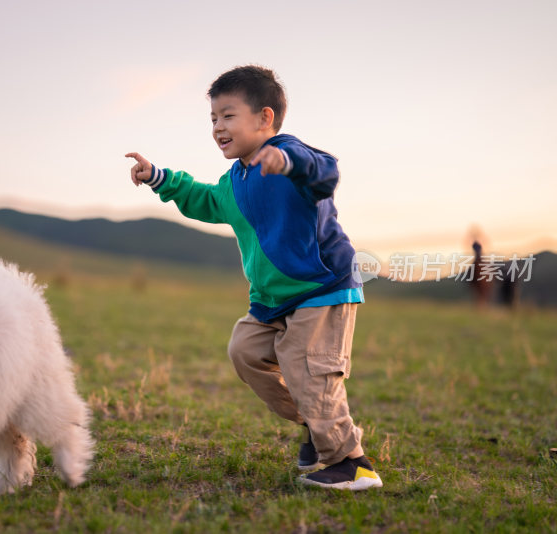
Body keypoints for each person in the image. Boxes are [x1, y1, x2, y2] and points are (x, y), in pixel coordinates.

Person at [125, 65, 382, 490]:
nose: (217, 127)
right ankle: (319, 429)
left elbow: (326, 170)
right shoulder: (235, 180)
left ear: (265, 118)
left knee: (308, 372)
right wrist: (159, 178)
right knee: (244, 350)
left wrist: (289, 162)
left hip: (319, 290)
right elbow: (205, 200)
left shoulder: (289, 157)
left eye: (228, 115)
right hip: (270, 300)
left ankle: (352, 464)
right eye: (212, 118)